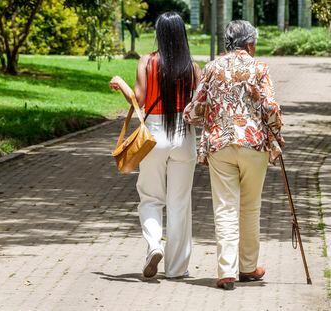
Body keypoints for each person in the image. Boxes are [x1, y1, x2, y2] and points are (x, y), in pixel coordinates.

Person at [183, 20, 284, 290]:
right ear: (250, 44)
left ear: (228, 42)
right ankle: (248, 267)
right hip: (254, 145)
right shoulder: (259, 68)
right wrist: (276, 132)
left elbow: (193, 112)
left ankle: (226, 271)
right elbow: (272, 109)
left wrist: (209, 116)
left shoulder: (212, 68)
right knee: (250, 207)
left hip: (221, 145)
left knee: (225, 207)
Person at [109, 12, 201, 278]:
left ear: (160, 34)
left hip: (154, 136)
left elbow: (137, 100)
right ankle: (177, 269)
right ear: (181, 34)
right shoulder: (192, 67)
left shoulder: (147, 61)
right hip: (184, 136)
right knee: (180, 203)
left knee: (150, 198)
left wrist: (121, 83)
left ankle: (153, 247)